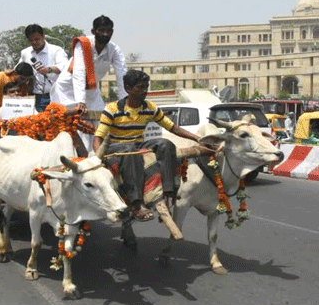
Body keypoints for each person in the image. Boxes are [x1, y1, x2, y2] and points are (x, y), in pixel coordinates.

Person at [93, 70, 204, 221]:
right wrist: (97, 158)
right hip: (117, 148)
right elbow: (98, 137)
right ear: (128, 89)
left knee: (165, 144)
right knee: (130, 150)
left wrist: (197, 139)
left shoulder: (150, 107)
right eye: (140, 88)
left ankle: (168, 192)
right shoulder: (112, 109)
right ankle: (136, 204)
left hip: (138, 144)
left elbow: (172, 127)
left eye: (146, 87)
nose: (145, 92)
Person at [52, 15, 128, 114]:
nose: (105, 34)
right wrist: (80, 101)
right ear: (93, 31)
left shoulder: (114, 50)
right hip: (68, 89)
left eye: (109, 31)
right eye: (101, 30)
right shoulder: (84, 44)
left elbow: (122, 75)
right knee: (70, 123)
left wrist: (125, 101)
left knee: (101, 121)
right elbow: (79, 71)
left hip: (91, 91)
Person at [19, 24, 68, 112]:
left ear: (43, 36)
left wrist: (49, 69)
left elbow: (64, 66)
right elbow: (19, 68)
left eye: (37, 39)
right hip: (36, 96)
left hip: (55, 95)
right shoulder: (25, 53)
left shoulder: (56, 50)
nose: (34, 42)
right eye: (31, 40)